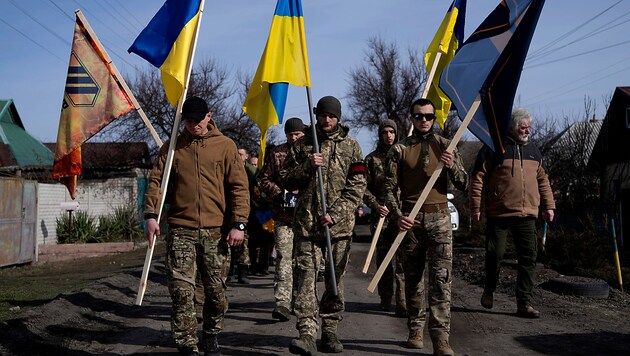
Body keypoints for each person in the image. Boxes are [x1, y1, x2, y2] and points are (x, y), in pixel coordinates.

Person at [143, 96, 249, 356]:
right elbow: (157, 182)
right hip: (181, 229)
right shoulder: (172, 148)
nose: (193, 126)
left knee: (215, 294)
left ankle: (211, 336)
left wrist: (239, 224)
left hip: (216, 231)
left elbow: (239, 187)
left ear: (209, 117)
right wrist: (151, 215)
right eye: (188, 121)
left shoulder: (225, 146)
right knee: (181, 292)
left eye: (198, 121)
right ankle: (186, 344)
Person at [280, 96, 366, 355]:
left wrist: (336, 214)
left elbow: (357, 186)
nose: (327, 120)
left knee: (333, 280)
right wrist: (308, 165)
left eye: (332, 116)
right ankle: (306, 333)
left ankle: (330, 331)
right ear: (316, 115)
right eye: (323, 115)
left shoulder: (351, 147)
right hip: (307, 226)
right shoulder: (304, 145)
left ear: (338, 117)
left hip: (338, 229)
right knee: (305, 279)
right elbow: (285, 178)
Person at [382, 98, 468, 356]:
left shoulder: (445, 146)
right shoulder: (398, 150)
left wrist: (452, 166)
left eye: (428, 116)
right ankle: (415, 329)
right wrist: (398, 216)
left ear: (434, 118)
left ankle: (441, 338)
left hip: (439, 219)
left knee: (441, 280)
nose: (424, 121)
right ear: (412, 118)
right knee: (413, 279)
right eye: (419, 116)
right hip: (411, 220)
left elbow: (463, 183)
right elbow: (388, 188)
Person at [470, 107, 556, 319]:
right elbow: (478, 178)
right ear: (511, 128)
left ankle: (524, 303)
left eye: (529, 127)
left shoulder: (534, 151)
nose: (527, 131)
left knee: (529, 257)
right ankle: (489, 290)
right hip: (499, 213)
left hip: (527, 213)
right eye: (523, 127)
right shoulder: (494, 148)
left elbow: (543, 181)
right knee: (494, 254)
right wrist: (475, 207)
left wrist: (549, 205)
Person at [260, 117, 306, 322]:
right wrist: (280, 194)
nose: (294, 138)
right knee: (284, 259)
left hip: (307, 218)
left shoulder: (313, 153)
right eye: (290, 134)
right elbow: (264, 179)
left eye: (297, 134)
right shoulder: (276, 153)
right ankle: (282, 303)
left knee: (303, 261)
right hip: (283, 216)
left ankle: (299, 299)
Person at [363, 119, 407, 317]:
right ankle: (385, 297)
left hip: (402, 214)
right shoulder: (372, 160)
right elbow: (362, 187)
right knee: (383, 259)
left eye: (391, 132)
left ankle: (402, 301)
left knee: (403, 260)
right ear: (380, 135)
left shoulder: (405, 155)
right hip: (381, 216)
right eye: (385, 132)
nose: (388, 135)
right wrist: (375, 205)